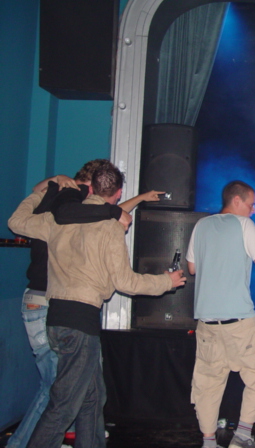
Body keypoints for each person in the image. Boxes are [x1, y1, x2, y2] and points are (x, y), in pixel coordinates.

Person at [8, 164, 185, 448]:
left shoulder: (58, 218)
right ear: (118, 193)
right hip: (80, 323)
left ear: (89, 189)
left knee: (92, 397)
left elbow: (16, 222)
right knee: (63, 405)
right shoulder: (109, 226)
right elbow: (126, 282)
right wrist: (167, 281)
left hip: (57, 319)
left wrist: (46, 191)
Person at [6, 159, 134, 448]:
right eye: (86, 190)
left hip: (60, 303)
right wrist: (52, 184)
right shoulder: (64, 211)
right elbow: (23, 218)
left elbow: (110, 210)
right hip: (47, 300)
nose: (90, 196)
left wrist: (122, 207)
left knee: (87, 391)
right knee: (59, 391)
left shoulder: (78, 210)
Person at [186, 180, 255, 448]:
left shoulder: (201, 225)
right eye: (251, 204)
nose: (253, 210)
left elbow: (192, 268)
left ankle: (209, 442)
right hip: (239, 321)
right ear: (236, 200)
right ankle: (243, 436)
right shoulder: (245, 225)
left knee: (207, 385)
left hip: (207, 323)